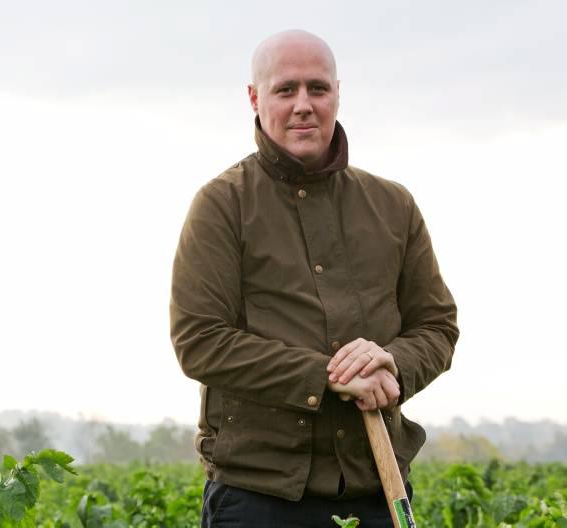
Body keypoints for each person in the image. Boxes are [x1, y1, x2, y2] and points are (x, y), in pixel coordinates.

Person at [169, 29, 458, 527]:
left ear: (337, 95)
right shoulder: (222, 205)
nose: (303, 105)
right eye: (286, 89)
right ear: (255, 98)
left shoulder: (394, 205)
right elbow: (200, 341)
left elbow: (437, 326)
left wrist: (393, 364)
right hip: (258, 498)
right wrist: (328, 376)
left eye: (317, 89)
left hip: (379, 488)